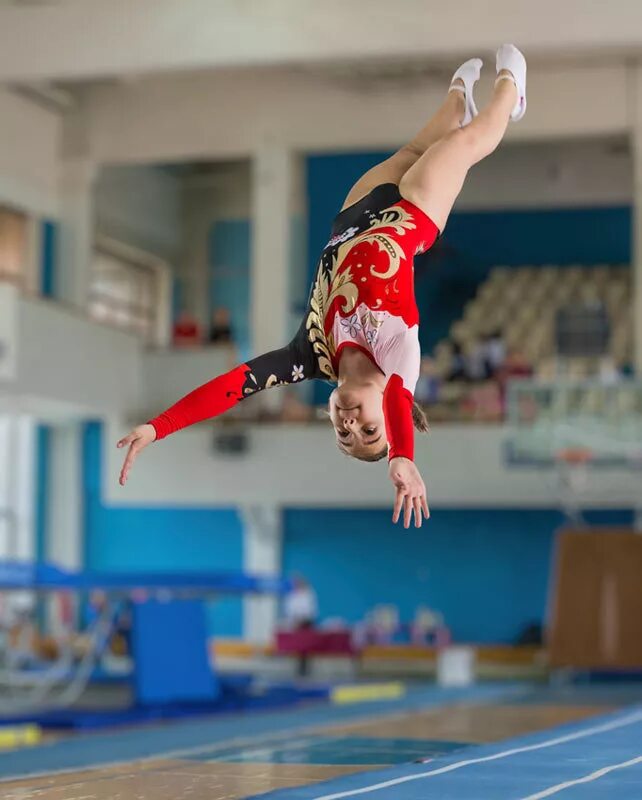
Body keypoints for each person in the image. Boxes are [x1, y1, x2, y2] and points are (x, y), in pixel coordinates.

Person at [118, 45, 528, 529]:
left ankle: (459, 98)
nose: (350, 423)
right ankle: (511, 94)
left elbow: (233, 387)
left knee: (414, 151)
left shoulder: (308, 355)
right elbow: (398, 401)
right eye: (367, 429)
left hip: (352, 220)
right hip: (413, 218)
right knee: (461, 148)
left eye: (343, 433)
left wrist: (158, 426)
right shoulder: (399, 362)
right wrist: (400, 455)